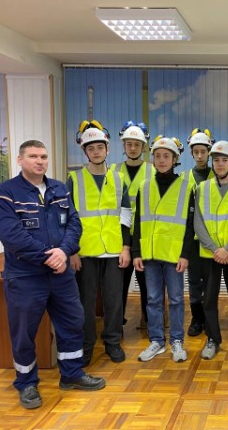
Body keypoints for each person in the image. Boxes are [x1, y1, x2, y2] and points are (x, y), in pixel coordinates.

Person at [0, 140, 105, 410]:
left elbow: (75, 224)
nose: (40, 161)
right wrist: (50, 256)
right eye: (33, 156)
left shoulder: (59, 189)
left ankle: (72, 374)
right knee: (24, 332)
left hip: (61, 275)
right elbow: (12, 236)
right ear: (20, 160)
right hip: (25, 276)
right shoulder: (5, 193)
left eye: (43, 156)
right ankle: (27, 383)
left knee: (72, 322)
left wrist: (64, 252)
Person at [67, 121, 132, 365]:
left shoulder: (118, 179)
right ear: (85, 152)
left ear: (107, 149)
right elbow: (67, 218)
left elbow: (126, 216)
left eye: (100, 147)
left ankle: (112, 342)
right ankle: (86, 345)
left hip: (114, 250)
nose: (96, 152)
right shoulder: (74, 179)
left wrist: (126, 247)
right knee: (85, 302)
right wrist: (72, 251)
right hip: (85, 251)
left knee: (114, 300)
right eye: (91, 148)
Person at [132, 136, 195, 363]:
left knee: (176, 299)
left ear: (175, 159)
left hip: (173, 254)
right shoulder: (144, 187)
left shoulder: (186, 188)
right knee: (153, 299)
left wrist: (185, 254)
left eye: (166, 156)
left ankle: (177, 341)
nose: (161, 160)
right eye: (157, 156)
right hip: (149, 254)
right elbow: (138, 221)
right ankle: (157, 341)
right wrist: (136, 252)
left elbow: (190, 225)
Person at [194, 140, 228, 360]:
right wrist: (215, 248)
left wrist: (227, 248)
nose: (219, 164)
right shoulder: (202, 188)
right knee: (209, 299)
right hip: (209, 254)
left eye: (224, 160)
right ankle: (212, 339)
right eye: (216, 160)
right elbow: (198, 222)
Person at [110, 121, 154, 329]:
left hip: (144, 237)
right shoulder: (113, 171)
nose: (133, 148)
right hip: (119, 237)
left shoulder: (153, 171)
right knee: (118, 285)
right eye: (129, 144)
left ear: (143, 147)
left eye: (137, 144)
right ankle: (116, 323)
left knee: (148, 285)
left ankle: (149, 321)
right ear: (124, 145)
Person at [184, 128, 215, 336]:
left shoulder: (218, 176)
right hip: (192, 240)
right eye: (196, 152)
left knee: (210, 281)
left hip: (212, 239)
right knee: (194, 280)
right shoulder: (185, 178)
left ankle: (210, 317)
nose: (200, 155)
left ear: (209, 152)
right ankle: (197, 318)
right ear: (191, 153)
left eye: (203, 151)